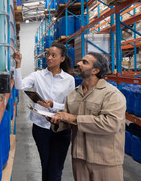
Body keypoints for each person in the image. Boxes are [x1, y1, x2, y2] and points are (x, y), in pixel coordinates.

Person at [50, 52, 126, 181]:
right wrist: (57, 121)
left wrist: (73, 118)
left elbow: (111, 124)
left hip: (105, 160)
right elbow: (68, 121)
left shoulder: (112, 94)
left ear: (95, 70)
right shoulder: (73, 94)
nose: (78, 63)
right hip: (79, 158)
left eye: (84, 62)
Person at [12, 43, 75, 181]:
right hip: (41, 127)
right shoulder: (37, 75)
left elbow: (71, 105)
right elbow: (19, 85)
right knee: (46, 165)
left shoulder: (69, 80)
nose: (49, 58)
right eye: (48, 54)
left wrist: (53, 104)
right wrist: (18, 64)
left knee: (55, 169)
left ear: (62, 59)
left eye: (54, 55)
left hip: (61, 128)